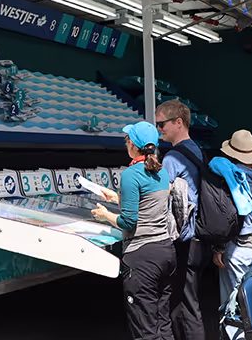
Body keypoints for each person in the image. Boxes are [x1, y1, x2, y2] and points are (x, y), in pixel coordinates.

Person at [92, 122, 175, 340]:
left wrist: (105, 215)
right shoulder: (162, 172)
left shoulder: (130, 174)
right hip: (165, 252)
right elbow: (149, 205)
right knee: (163, 324)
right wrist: (117, 198)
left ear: (132, 145)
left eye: (127, 139)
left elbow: (129, 221)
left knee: (145, 330)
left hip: (142, 257)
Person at [156, 99, 208, 340]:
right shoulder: (197, 150)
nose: (159, 129)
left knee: (186, 304)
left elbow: (160, 196)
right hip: (199, 236)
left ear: (178, 122)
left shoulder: (172, 159)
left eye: (162, 124)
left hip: (183, 239)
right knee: (188, 300)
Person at [210, 130, 252, 305]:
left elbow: (227, 216)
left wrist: (219, 248)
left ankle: (235, 324)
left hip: (238, 246)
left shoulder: (233, 175)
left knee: (235, 301)